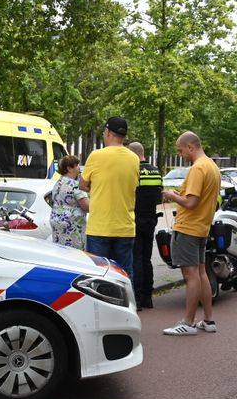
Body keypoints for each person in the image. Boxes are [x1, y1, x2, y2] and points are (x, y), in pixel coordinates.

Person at [161, 131, 221, 335]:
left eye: (181, 150)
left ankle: (188, 322)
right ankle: (208, 320)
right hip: (202, 227)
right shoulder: (212, 167)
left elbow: (191, 203)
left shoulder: (197, 169)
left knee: (191, 275)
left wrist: (172, 195)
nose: (181, 155)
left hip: (188, 228)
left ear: (190, 147)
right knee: (201, 273)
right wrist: (182, 196)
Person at [79, 116, 139, 279]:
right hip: (125, 227)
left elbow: (82, 185)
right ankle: (128, 304)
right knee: (125, 273)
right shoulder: (134, 158)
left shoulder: (96, 156)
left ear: (108, 132)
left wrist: (96, 185)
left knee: (98, 274)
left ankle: (102, 305)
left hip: (100, 227)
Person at [129, 141, 163, 310]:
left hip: (135, 218)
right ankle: (148, 297)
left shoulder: (134, 171)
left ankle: (137, 298)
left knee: (136, 258)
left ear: (134, 154)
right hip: (151, 218)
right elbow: (159, 197)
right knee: (147, 259)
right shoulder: (156, 171)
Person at [49, 155, 89, 249]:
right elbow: (87, 206)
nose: (79, 167)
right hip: (72, 225)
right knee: (74, 254)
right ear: (69, 168)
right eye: (77, 165)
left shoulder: (58, 183)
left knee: (60, 251)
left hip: (57, 223)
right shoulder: (75, 185)